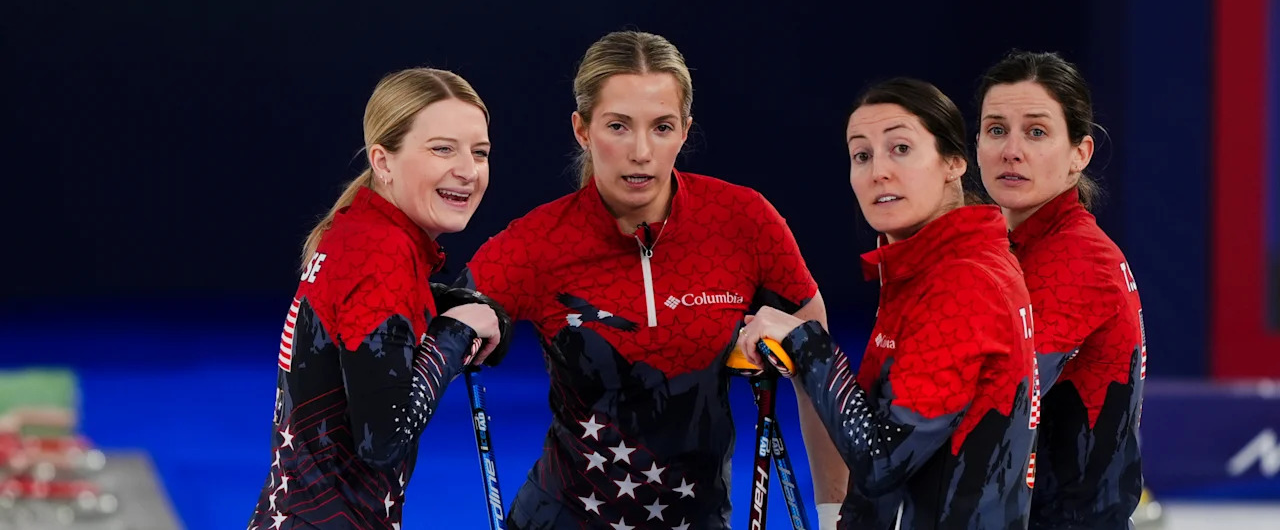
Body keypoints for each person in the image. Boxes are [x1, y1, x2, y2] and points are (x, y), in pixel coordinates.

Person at [461, 30, 847, 530]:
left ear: (685, 130)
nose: (641, 151)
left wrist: (836, 514)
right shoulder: (537, 242)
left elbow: (822, 374)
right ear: (582, 130)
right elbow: (416, 349)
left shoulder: (744, 220)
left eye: (662, 127)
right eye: (618, 126)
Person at [739, 78, 1038, 530]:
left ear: (953, 163)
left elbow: (882, 459)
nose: (878, 170)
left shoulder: (962, 283)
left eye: (900, 148)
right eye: (862, 155)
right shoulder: (932, 268)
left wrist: (807, 344)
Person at [248, 68, 512, 530]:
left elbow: (371, 324)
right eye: (442, 149)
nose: (468, 170)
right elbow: (384, 438)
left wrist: (462, 310)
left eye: (480, 152)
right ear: (383, 161)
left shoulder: (359, 233)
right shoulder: (381, 254)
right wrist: (458, 333)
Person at [974, 50, 1145, 528]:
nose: (1012, 149)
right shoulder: (1009, 249)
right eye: (996, 129)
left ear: (1080, 154)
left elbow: (986, 407)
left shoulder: (1076, 258)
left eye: (1036, 132)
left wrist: (814, 352)